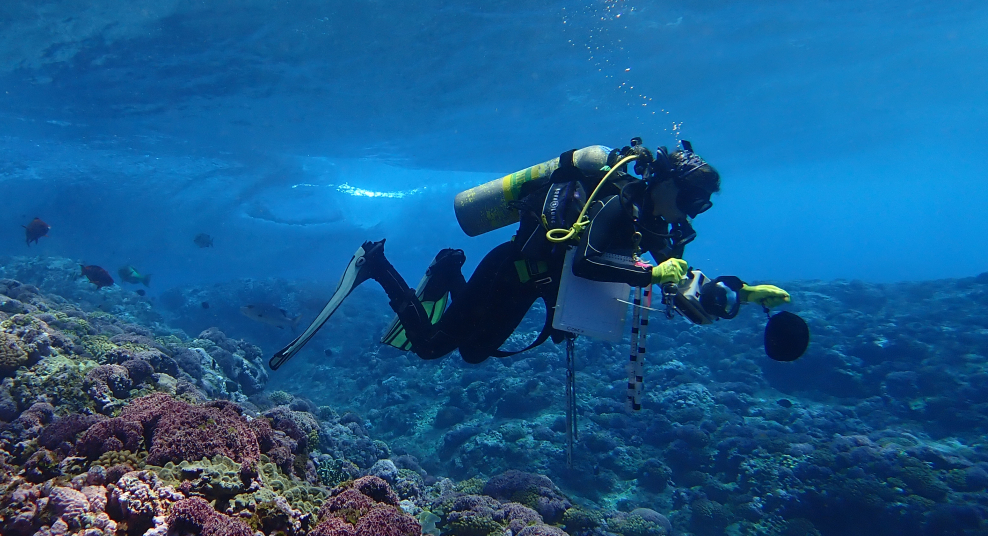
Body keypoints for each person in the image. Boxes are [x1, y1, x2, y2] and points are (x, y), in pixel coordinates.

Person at [269, 140, 793, 370]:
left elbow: (683, 289)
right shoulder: (616, 203)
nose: (694, 214)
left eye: (702, 207)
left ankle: (448, 271)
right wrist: (651, 272)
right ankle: (375, 265)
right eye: (693, 200)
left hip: (527, 284)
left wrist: (741, 293)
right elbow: (588, 263)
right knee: (431, 347)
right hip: (510, 272)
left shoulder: (654, 223)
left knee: (473, 353)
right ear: (667, 183)